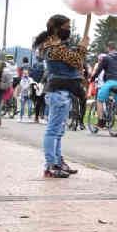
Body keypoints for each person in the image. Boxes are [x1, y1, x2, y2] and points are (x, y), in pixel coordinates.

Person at [36, 14, 88, 178]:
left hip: (62, 92)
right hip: (58, 93)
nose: (69, 31)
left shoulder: (55, 46)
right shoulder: (53, 48)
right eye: (67, 28)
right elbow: (76, 60)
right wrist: (83, 47)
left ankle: (57, 161)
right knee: (53, 131)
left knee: (58, 131)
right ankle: (51, 164)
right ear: (57, 29)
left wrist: (81, 47)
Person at [91, 41, 117, 127]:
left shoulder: (106, 58)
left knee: (99, 100)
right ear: (115, 48)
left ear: (108, 48)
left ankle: (101, 121)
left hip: (110, 82)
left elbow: (99, 70)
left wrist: (92, 78)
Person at [28, 52, 46, 122]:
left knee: (35, 99)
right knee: (40, 100)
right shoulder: (43, 67)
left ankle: (36, 116)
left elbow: (31, 75)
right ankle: (39, 115)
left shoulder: (34, 65)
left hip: (34, 85)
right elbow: (45, 76)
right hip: (41, 85)